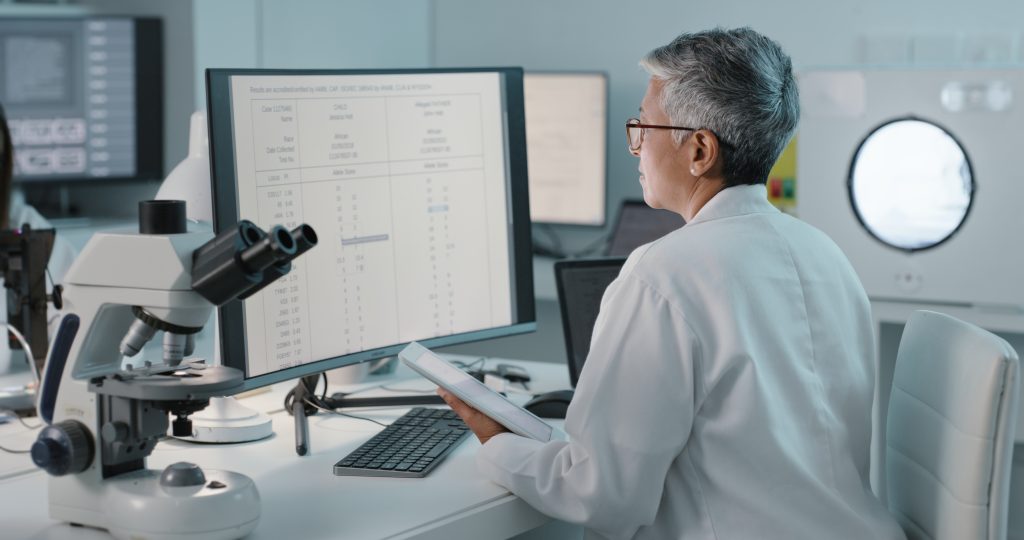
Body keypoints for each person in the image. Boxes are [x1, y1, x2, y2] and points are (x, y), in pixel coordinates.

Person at [438, 28, 906, 539]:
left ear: (700, 150)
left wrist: (497, 443)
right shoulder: (828, 255)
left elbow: (599, 498)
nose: (636, 148)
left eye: (644, 127)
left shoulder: (664, 273)